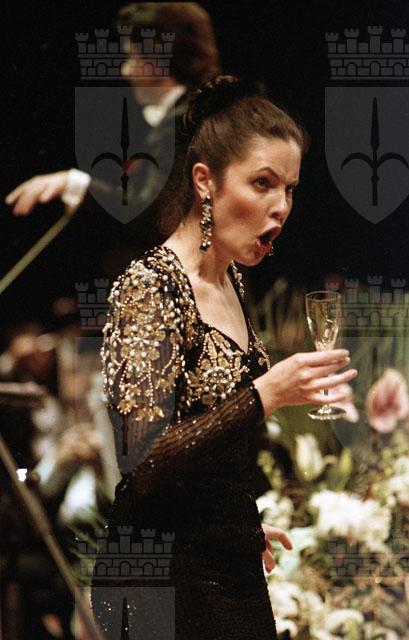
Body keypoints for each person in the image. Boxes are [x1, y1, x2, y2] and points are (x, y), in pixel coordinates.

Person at [90, 75, 358, 639]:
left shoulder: (232, 281)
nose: (280, 206)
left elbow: (207, 447)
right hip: (158, 574)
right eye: (262, 183)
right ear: (205, 182)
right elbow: (143, 460)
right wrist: (266, 394)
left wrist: (235, 525)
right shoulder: (150, 286)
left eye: (289, 189)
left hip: (224, 560)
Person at [5, 2, 220, 257]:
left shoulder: (188, 122)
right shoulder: (189, 116)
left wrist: (73, 184)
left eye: (131, 57)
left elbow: (153, 216)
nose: (125, 70)